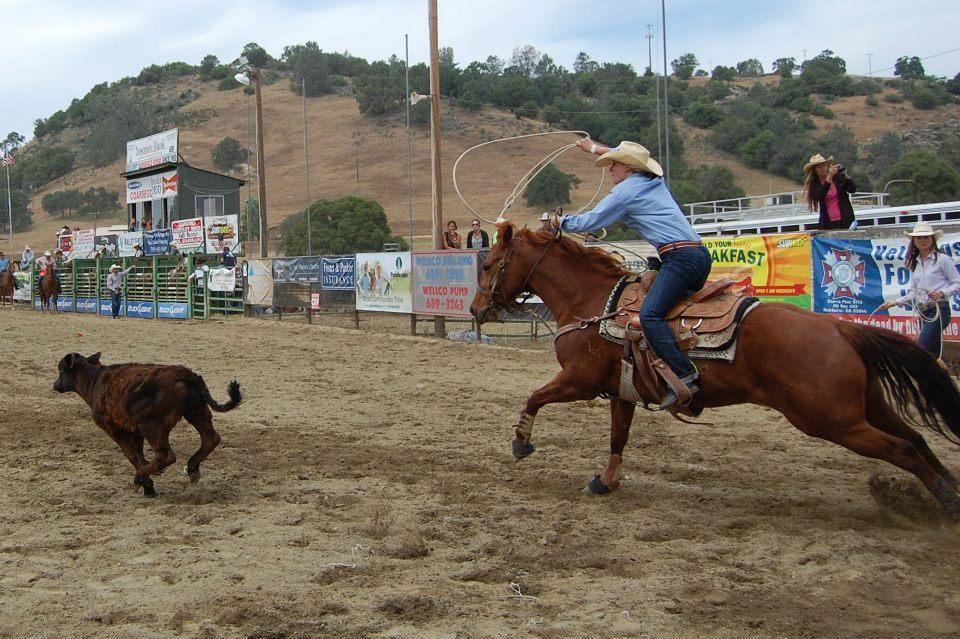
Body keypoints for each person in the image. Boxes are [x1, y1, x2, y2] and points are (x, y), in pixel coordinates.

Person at [554, 138, 711, 409]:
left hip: (679, 259)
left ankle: (685, 376)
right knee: (671, 314)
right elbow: (621, 156)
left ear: (627, 168)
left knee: (650, 316)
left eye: (613, 164)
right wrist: (593, 148)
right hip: (696, 256)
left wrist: (560, 221)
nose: (609, 168)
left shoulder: (626, 192)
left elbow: (591, 220)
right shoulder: (652, 181)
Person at [878, 222, 960, 363]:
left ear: (932, 239)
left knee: (921, 347)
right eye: (919, 238)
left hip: (939, 310)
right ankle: (936, 381)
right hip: (924, 312)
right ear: (914, 241)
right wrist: (894, 303)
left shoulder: (943, 260)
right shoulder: (914, 263)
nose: (922, 240)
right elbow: (913, 292)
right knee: (931, 355)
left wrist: (942, 293)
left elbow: (957, 283)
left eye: (926, 237)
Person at [803, 154, 857, 230]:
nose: (823, 169)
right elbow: (820, 196)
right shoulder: (814, 184)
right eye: (819, 167)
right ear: (814, 170)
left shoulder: (836, 177)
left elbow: (852, 189)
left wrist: (846, 177)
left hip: (846, 219)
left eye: (824, 165)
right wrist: (828, 178)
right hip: (827, 223)